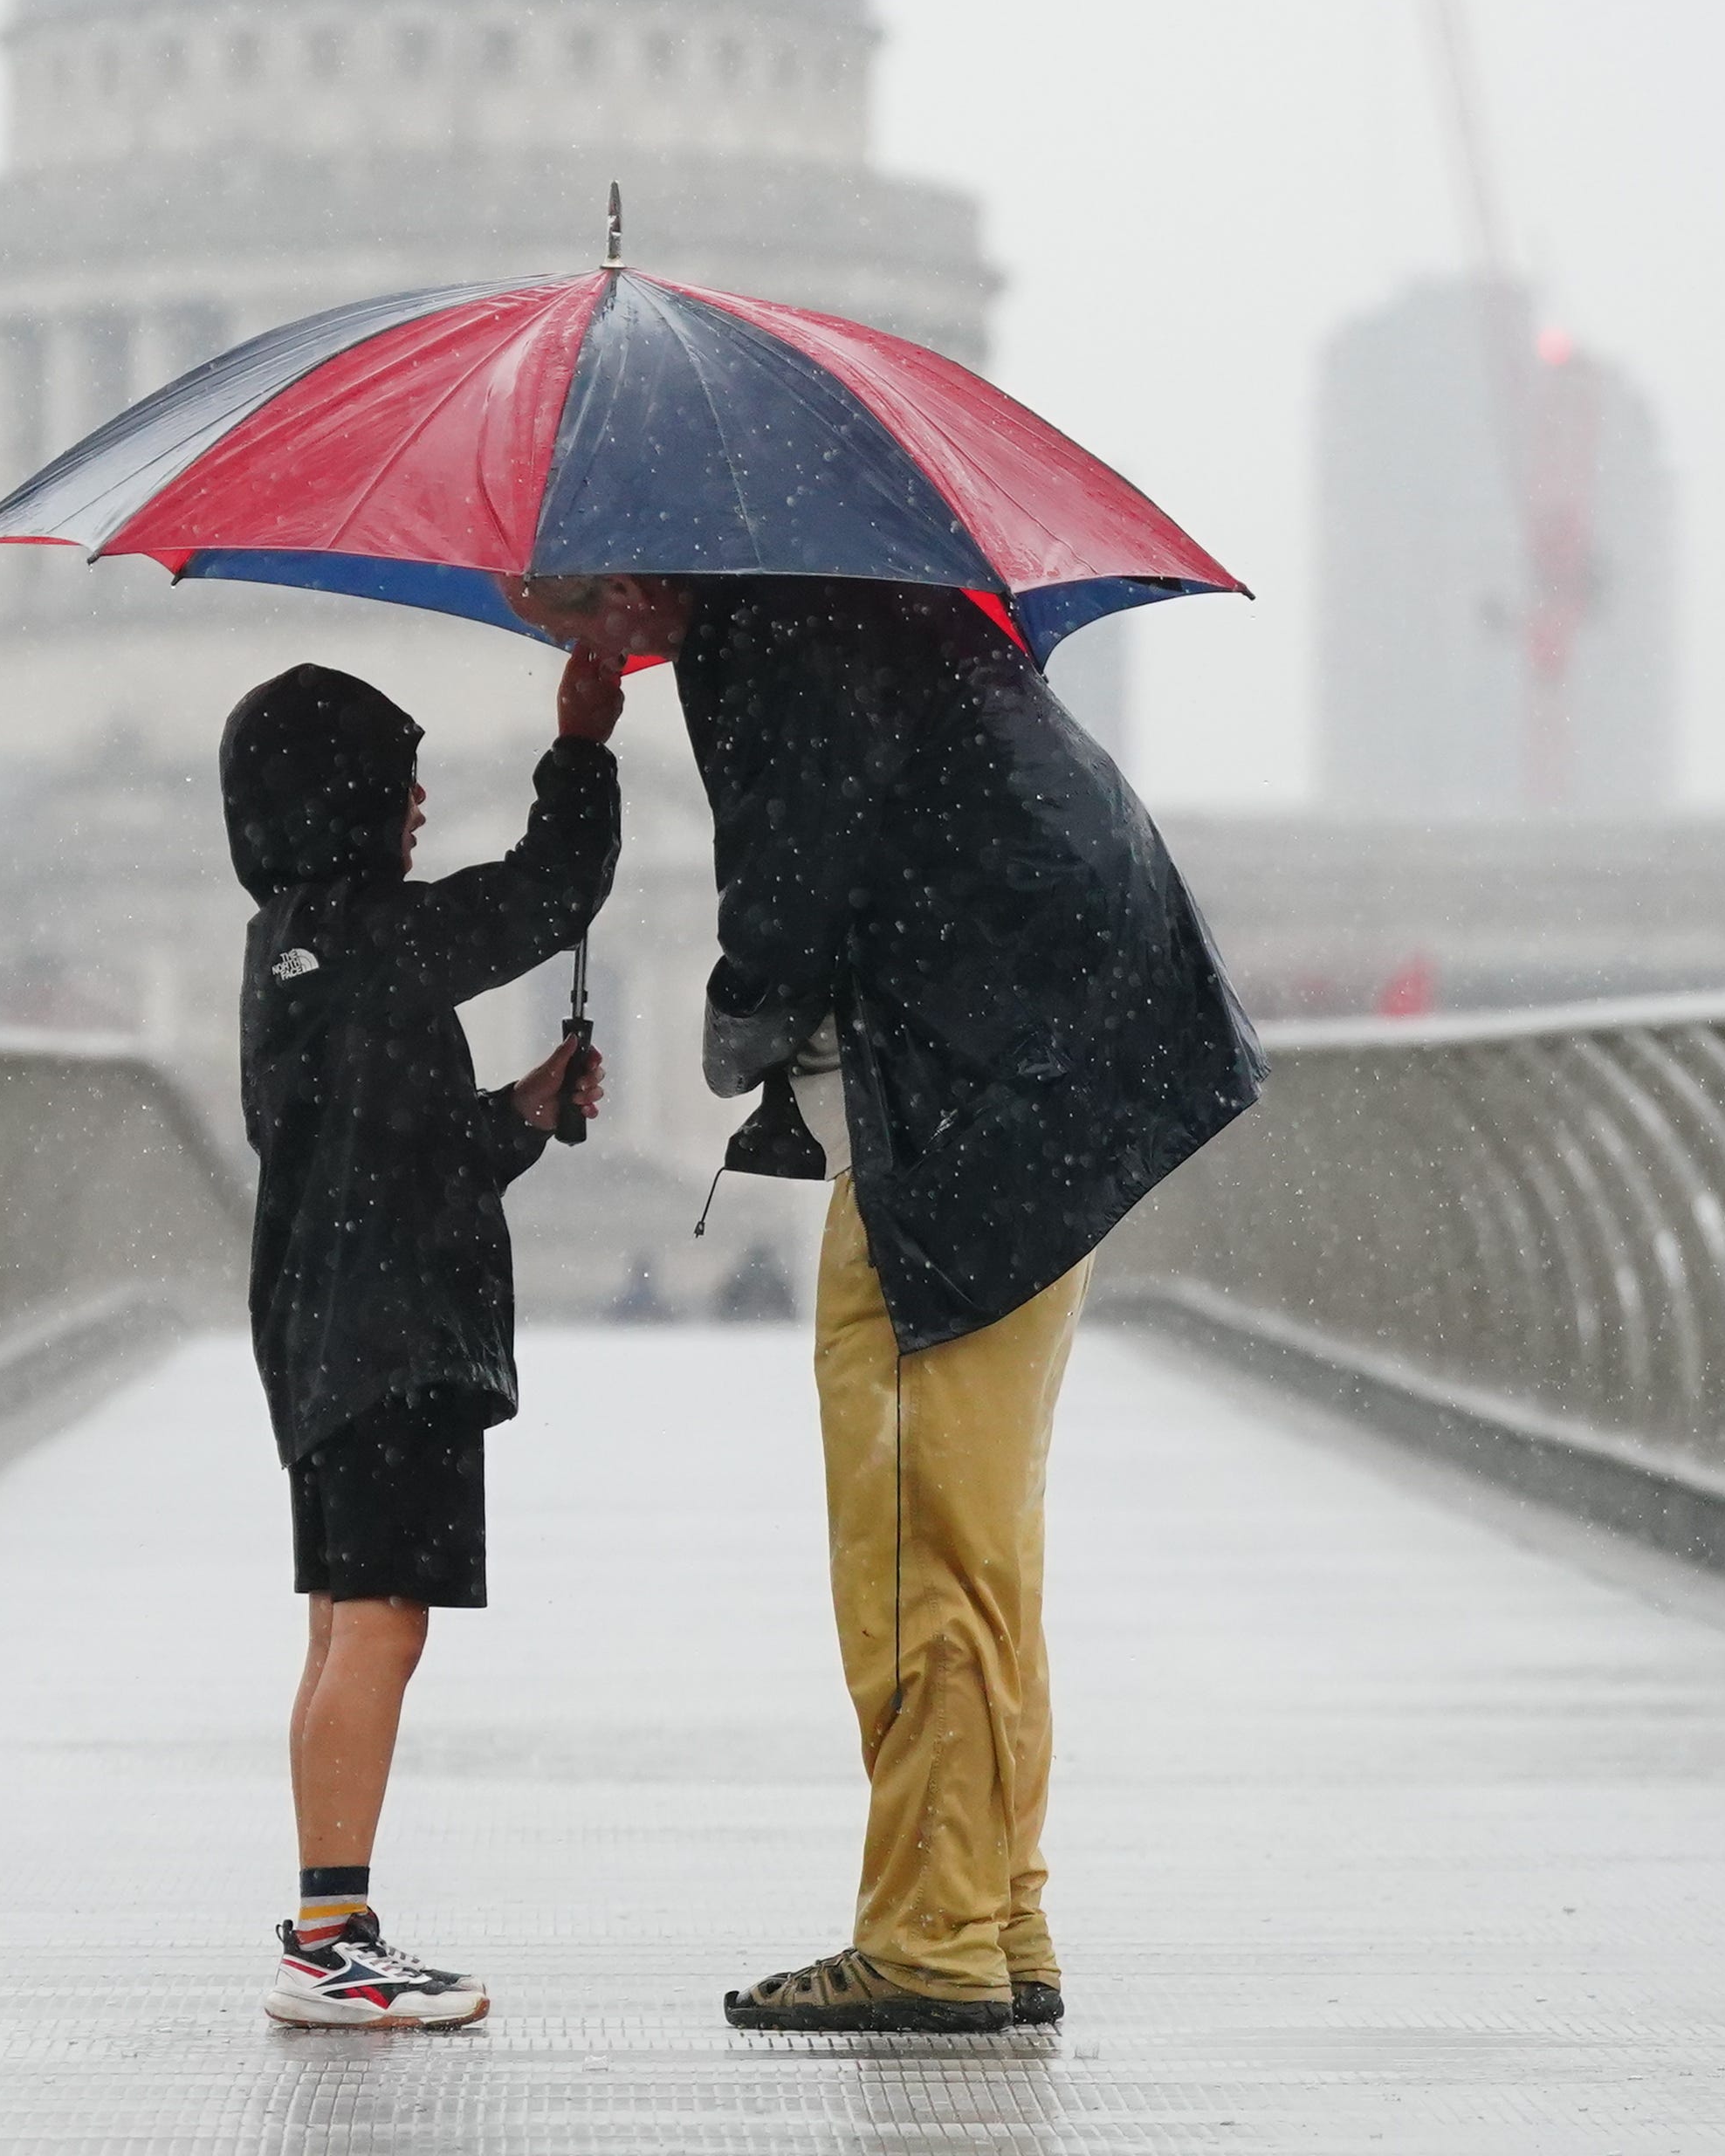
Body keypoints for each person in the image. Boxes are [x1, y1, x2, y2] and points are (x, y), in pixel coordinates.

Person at [503, 569, 1263, 2034]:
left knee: (911, 1530)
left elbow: (791, 896)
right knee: (979, 1539)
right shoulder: (864, 614)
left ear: (633, 556)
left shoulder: (775, 644)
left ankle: (930, 1939)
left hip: (974, 1117)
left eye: (550, 589)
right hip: (1052, 1087)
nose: (544, 621)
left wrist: (732, 1032)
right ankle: (994, 1911)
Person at [220, 649, 625, 2029]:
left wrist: (518, 1109)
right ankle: (329, 1942)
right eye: (401, 779)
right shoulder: (376, 939)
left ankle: (328, 1922)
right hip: (396, 1333)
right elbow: (550, 893)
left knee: (342, 1624)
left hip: (324, 1323)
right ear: (346, 801)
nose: (418, 804)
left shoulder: (291, 947)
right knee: (380, 1626)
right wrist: (583, 740)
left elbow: (397, 1154)